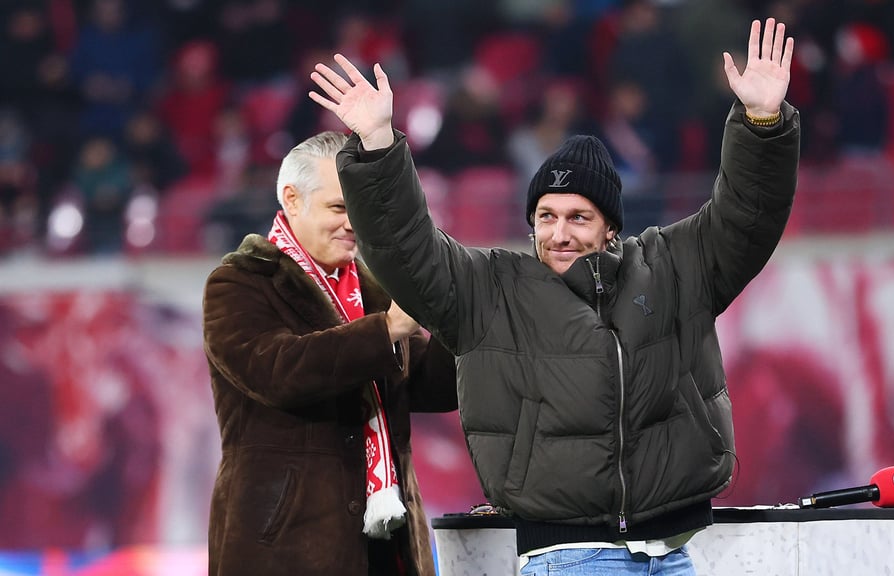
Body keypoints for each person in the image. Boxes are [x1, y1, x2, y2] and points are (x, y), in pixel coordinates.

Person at [310, 17, 800, 576]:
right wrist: (378, 146)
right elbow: (406, 249)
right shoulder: (490, 288)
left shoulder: (670, 268)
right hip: (566, 556)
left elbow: (746, 219)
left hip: (670, 552)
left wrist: (762, 123)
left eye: (578, 217)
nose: (559, 233)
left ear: (611, 227)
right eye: (546, 216)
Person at [202, 131, 458, 576]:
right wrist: (386, 329)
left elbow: (430, 389)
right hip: (285, 550)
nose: (353, 223)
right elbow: (278, 373)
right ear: (292, 199)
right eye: (339, 208)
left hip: (387, 547)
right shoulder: (240, 282)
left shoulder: (373, 289)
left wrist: (455, 320)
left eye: (360, 208)